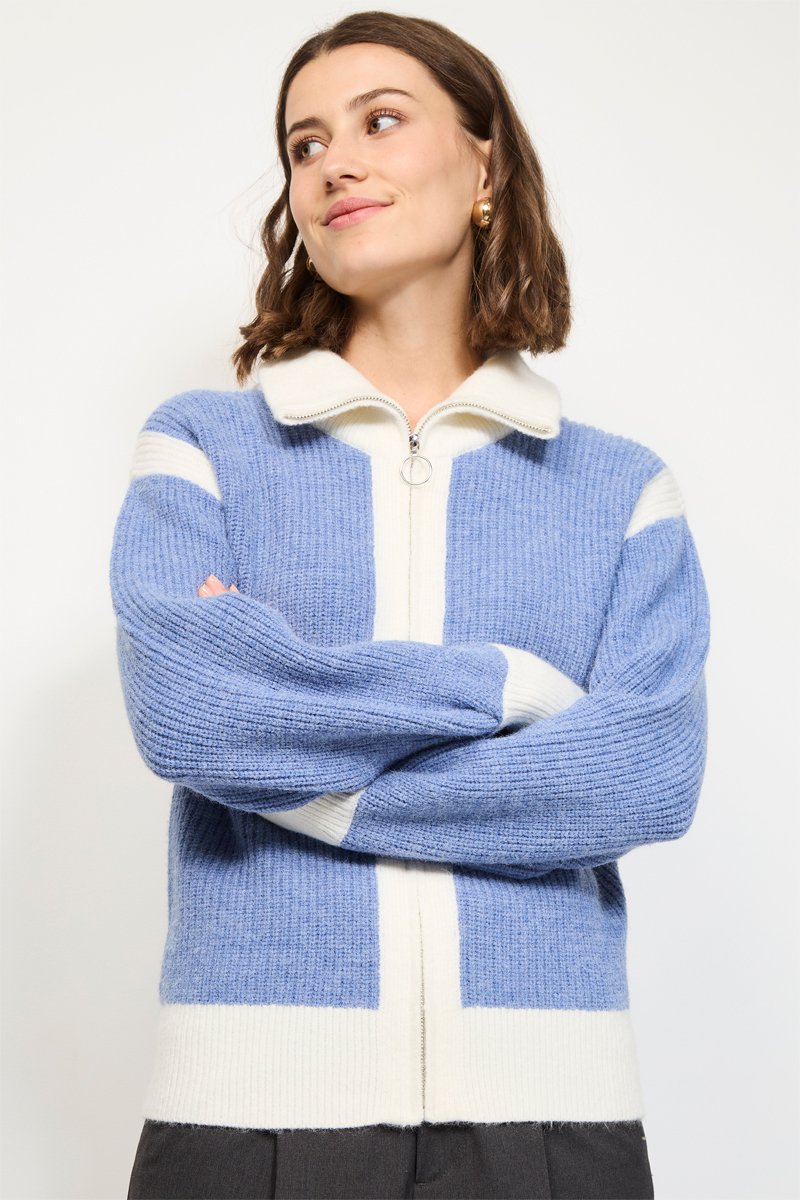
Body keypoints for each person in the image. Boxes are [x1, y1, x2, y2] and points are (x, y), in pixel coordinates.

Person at [111, 10, 710, 1199]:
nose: (333, 163)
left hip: (550, 1110)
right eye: (304, 144)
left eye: (379, 121)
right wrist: (509, 690)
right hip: (250, 1106)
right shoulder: (203, 449)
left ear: (484, 164)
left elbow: (640, 778)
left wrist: (301, 766)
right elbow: (192, 717)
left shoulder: (620, 489)